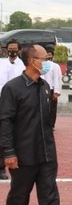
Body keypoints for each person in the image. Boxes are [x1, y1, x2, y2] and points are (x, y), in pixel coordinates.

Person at [0, 44, 72, 205]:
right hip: (23, 153)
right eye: (44, 58)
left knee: (50, 194)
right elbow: (5, 122)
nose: (47, 61)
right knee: (19, 194)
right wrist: (9, 153)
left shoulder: (44, 86)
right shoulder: (12, 88)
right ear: (32, 61)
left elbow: (48, 120)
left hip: (47, 152)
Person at [0, 40, 25, 180]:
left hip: (19, 105)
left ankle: (20, 166)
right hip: (3, 103)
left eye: (14, 49)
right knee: (3, 135)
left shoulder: (23, 65)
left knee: (19, 135)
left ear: (19, 50)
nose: (12, 51)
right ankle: (1, 168)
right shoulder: (1, 63)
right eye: (10, 49)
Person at [42, 45, 63, 129]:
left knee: (52, 108)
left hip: (51, 89)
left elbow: (57, 79)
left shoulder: (55, 66)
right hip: (41, 88)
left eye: (50, 54)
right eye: (47, 54)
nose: (49, 56)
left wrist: (56, 92)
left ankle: (51, 124)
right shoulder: (40, 64)